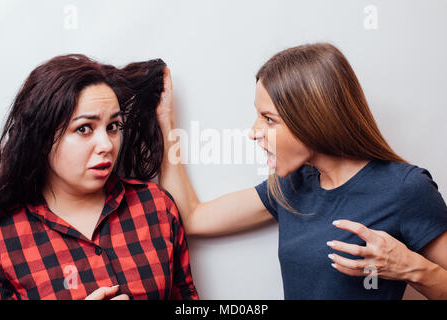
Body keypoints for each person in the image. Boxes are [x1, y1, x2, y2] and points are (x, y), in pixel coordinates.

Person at [157, 43, 447, 299]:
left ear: (313, 120)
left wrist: (412, 268)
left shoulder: (406, 189)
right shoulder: (291, 185)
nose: (253, 132)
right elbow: (193, 218)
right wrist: (166, 121)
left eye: (269, 119)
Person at [0, 54, 198, 300]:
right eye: (84, 129)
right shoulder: (4, 238)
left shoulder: (155, 206)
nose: (106, 145)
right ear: (42, 139)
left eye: (113, 127)